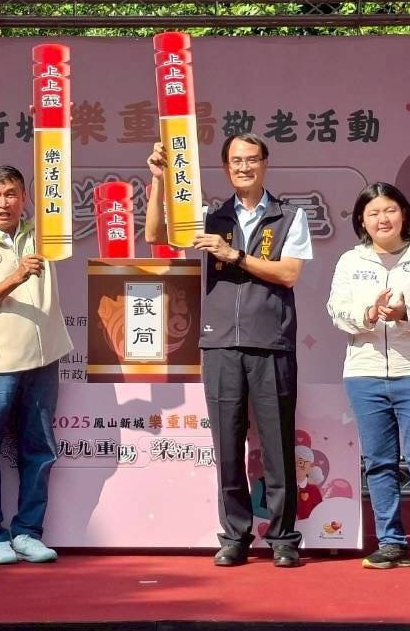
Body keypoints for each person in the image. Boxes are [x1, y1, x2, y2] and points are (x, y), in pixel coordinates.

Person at [146, 132, 314, 569]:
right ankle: (235, 536)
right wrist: (160, 180)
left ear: (265, 163)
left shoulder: (289, 216)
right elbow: (156, 233)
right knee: (227, 444)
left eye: (252, 159)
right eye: (236, 161)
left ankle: (283, 538)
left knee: (277, 444)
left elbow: (289, 274)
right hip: (219, 342)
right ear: (225, 168)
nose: (244, 167)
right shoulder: (208, 215)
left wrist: (233, 254)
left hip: (271, 342)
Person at [327, 182, 410, 576]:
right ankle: (392, 543)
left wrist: (405, 313)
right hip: (364, 373)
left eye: (390, 210)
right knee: (379, 462)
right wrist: (367, 314)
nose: (383, 219)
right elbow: (336, 309)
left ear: (404, 214)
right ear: (361, 221)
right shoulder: (350, 261)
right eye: (373, 213)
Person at [0, 165, 72, 565]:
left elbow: (58, 190)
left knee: (39, 450)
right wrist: (16, 275)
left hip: (43, 361)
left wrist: (49, 133)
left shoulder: (46, 234)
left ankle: (28, 532)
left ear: (25, 197)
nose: (3, 202)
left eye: (11, 194)